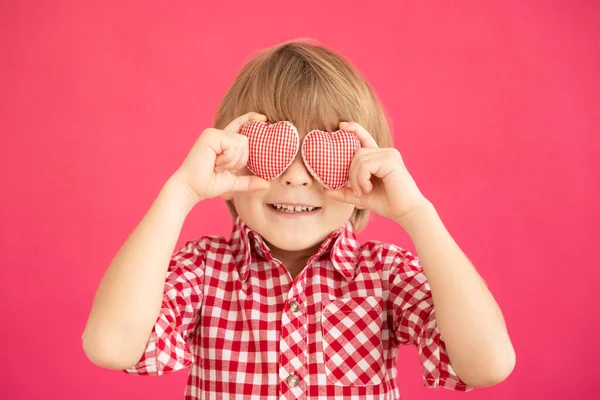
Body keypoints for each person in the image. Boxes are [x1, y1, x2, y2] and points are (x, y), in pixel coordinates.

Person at [82, 39, 515, 399]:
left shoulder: (385, 275)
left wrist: (417, 213)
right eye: (273, 149)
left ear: (367, 166)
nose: (294, 177)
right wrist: (181, 192)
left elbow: (487, 364)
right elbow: (110, 346)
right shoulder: (203, 271)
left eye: (325, 151)